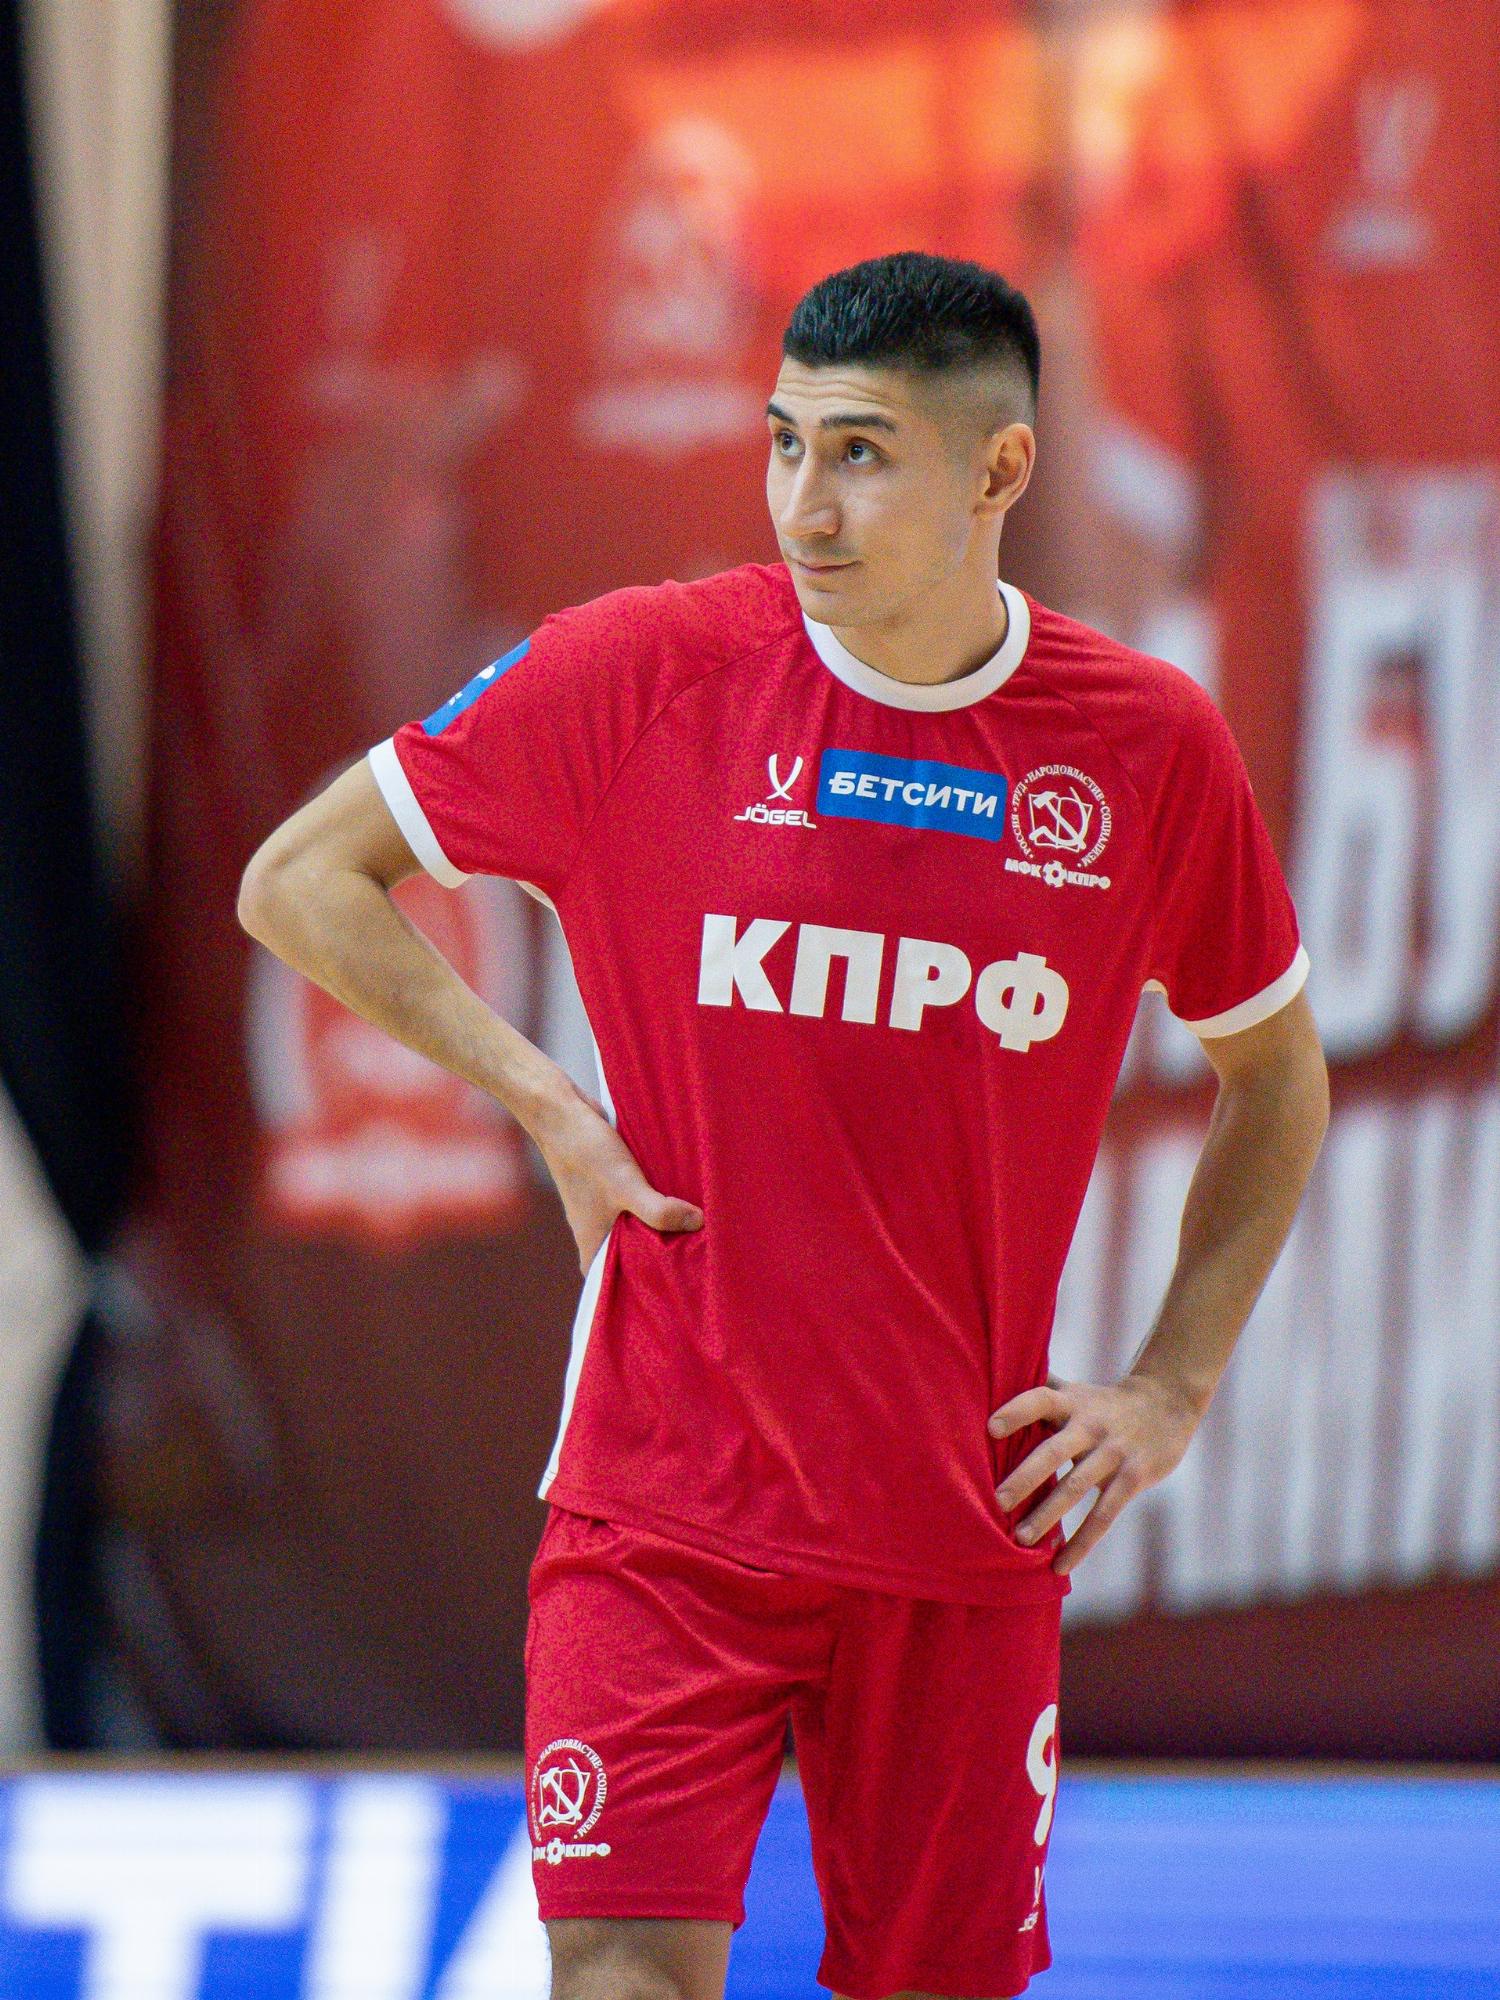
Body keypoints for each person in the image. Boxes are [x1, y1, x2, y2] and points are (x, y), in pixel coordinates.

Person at [238, 251, 1329, 2000]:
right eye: (785, 442)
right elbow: (299, 880)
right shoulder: (645, 669)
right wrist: (550, 1105)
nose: (806, 504)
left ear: (1001, 469)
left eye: (863, 453)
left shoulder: (1141, 747)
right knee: (618, 1972)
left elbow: (1274, 1075)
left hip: (959, 1533)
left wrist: (1167, 1389)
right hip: (662, 1511)